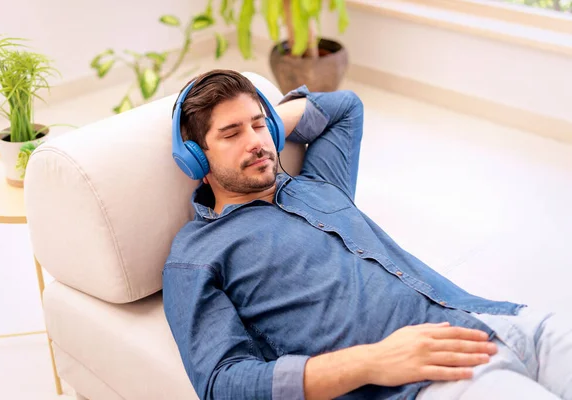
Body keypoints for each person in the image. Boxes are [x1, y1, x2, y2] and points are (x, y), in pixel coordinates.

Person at [162, 69, 572, 400]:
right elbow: (223, 383)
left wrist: (265, 126)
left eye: (259, 125)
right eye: (231, 134)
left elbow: (345, 108)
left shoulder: (318, 184)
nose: (255, 142)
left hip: (501, 321)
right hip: (437, 381)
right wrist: (372, 362)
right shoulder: (197, 255)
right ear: (196, 155)